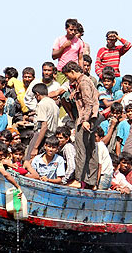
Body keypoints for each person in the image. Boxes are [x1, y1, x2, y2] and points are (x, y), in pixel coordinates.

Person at [62, 61, 100, 189]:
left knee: (81, 150)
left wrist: (84, 120)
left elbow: (88, 103)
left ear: (72, 72)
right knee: (91, 150)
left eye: (68, 76)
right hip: (91, 118)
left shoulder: (83, 82)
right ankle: (91, 182)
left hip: (86, 119)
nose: (68, 78)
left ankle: (79, 180)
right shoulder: (84, 81)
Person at [28, 83, 59, 158]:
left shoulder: (42, 104)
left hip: (41, 136)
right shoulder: (53, 103)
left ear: (37, 94)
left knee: (29, 159)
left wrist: (35, 147)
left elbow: (44, 126)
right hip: (51, 136)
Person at [52, 19, 84, 84]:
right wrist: (63, 47)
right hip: (62, 72)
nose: (72, 32)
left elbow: (80, 59)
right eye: (71, 30)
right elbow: (53, 56)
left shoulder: (79, 42)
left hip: (74, 72)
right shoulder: (59, 40)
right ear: (66, 29)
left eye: (75, 30)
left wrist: (81, 73)